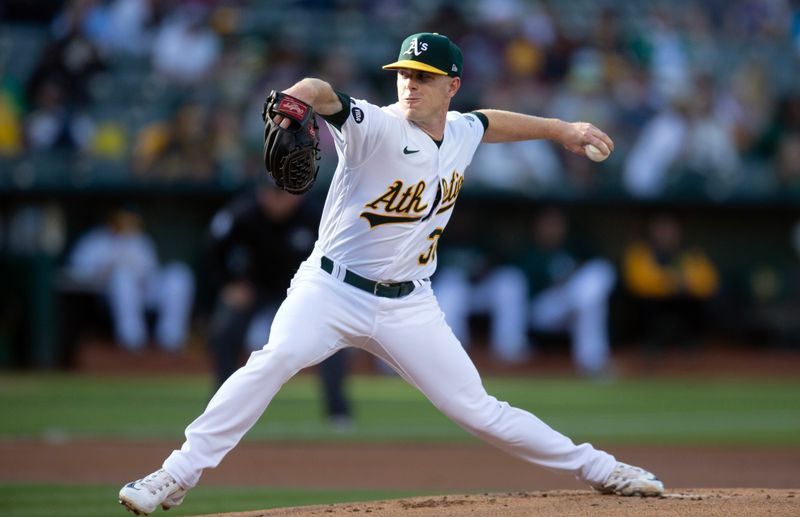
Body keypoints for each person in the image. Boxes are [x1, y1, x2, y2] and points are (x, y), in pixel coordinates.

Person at [119, 32, 664, 515]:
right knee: (274, 359)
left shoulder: (460, 131)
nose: (410, 83)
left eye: (424, 77)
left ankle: (601, 469)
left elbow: (490, 122)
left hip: (409, 304)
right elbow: (323, 92)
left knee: (477, 410)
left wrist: (562, 129)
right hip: (330, 288)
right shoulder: (375, 127)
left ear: (451, 85)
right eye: (404, 73)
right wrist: (296, 101)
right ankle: (175, 474)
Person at [207, 181, 352, 427]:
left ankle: (338, 412)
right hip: (256, 287)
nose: (275, 199)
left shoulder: (316, 214)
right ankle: (222, 412)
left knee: (334, 337)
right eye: (269, 192)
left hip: (306, 290)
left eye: (282, 193)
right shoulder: (243, 213)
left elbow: (345, 253)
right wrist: (229, 283)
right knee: (225, 330)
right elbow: (212, 249)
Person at [435, 206, 616, 376]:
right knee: (456, 285)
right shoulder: (531, 254)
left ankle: (592, 361)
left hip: (568, 301)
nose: (552, 229)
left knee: (596, 281)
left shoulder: (573, 247)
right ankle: (458, 356)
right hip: (539, 309)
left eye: (556, 225)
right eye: (547, 224)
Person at [67, 206, 195, 353]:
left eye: (131, 220)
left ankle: (171, 339)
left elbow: (151, 270)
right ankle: (132, 342)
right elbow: (76, 272)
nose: (128, 224)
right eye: (123, 219)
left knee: (179, 273)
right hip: (108, 296)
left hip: (144, 292)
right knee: (123, 278)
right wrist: (104, 271)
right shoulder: (95, 241)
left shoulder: (141, 241)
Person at [622, 212, 720, 355]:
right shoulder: (640, 251)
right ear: (651, 230)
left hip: (683, 305)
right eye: (661, 229)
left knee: (697, 302)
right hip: (651, 307)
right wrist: (674, 282)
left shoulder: (690, 253)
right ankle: (649, 345)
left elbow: (708, 282)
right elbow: (640, 282)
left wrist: (673, 283)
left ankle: (690, 346)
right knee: (643, 303)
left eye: (670, 229)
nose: (666, 234)